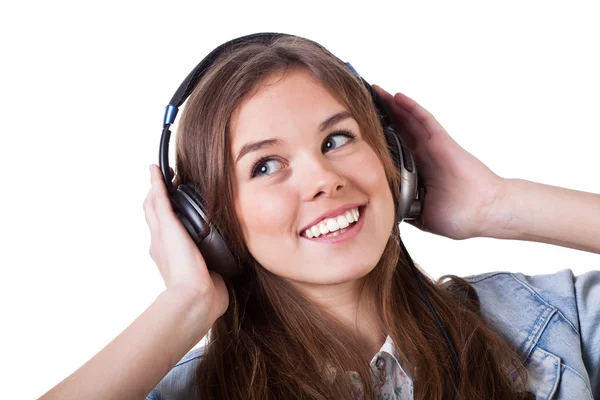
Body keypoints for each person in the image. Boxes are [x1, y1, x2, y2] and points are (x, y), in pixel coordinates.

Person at [39, 33, 599, 400]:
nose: (323, 179)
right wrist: (184, 304)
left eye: (336, 139)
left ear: (394, 161)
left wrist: (498, 206)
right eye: (265, 166)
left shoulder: (548, 321)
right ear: (207, 222)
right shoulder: (187, 392)